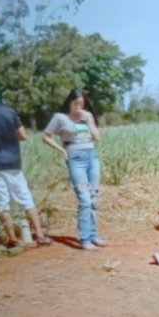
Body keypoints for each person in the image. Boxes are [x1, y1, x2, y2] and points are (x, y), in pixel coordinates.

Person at [0, 87, 52, 248]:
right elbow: (23, 135)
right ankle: (40, 235)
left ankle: (12, 240)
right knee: (25, 198)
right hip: (12, 162)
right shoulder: (9, 111)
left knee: (2, 202)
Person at [42, 88, 107, 250]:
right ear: (69, 103)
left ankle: (93, 235)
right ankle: (84, 238)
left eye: (82, 104)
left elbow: (97, 137)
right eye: (76, 103)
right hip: (76, 158)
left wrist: (89, 121)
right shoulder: (60, 118)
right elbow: (45, 136)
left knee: (93, 198)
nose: (79, 107)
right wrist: (62, 150)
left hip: (92, 157)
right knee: (84, 199)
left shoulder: (87, 116)